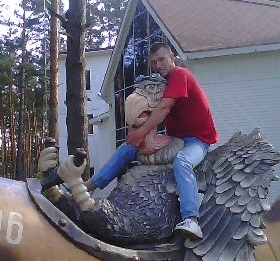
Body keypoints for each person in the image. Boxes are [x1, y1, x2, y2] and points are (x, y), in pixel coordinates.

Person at [87, 42, 219, 240]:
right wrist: (137, 131)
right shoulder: (162, 84)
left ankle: (191, 219)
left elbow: (163, 109)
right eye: (154, 62)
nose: (158, 65)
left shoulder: (180, 75)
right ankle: (88, 187)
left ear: (172, 57)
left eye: (162, 59)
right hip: (175, 138)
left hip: (198, 140)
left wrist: (140, 134)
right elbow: (149, 111)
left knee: (183, 162)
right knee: (127, 149)